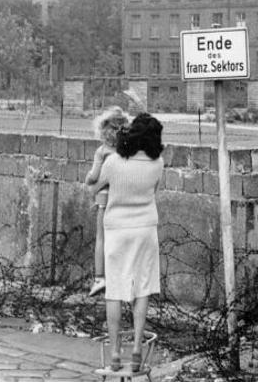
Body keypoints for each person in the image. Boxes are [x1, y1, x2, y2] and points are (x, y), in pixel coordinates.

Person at [88, 113, 164, 372]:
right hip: (146, 230)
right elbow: (154, 193)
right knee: (142, 288)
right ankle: (137, 350)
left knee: (116, 291)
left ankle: (115, 354)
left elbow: (93, 187)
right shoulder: (158, 163)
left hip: (118, 230)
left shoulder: (114, 162)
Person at [84, 107, 130, 297]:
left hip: (103, 199)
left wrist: (87, 179)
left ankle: (99, 277)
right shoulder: (127, 151)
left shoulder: (102, 151)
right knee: (120, 240)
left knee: (101, 238)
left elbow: (94, 176)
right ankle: (120, 276)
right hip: (122, 198)